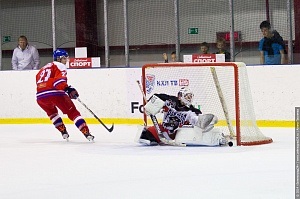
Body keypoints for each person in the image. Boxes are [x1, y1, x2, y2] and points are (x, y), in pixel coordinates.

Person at [35, 49, 94, 141]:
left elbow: (42, 84)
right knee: (73, 113)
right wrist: (67, 89)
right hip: (55, 94)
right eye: (64, 58)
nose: (66, 60)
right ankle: (86, 132)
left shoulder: (42, 69)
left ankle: (63, 131)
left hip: (40, 97)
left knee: (52, 113)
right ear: (59, 59)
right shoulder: (60, 65)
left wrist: (67, 88)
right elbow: (58, 82)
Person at [136, 87, 227, 146]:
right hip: (164, 130)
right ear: (180, 96)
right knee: (144, 135)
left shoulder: (191, 110)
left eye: (190, 97)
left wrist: (206, 121)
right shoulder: (170, 100)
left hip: (177, 133)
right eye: (187, 96)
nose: (189, 99)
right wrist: (149, 104)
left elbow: (197, 120)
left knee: (175, 122)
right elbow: (157, 96)